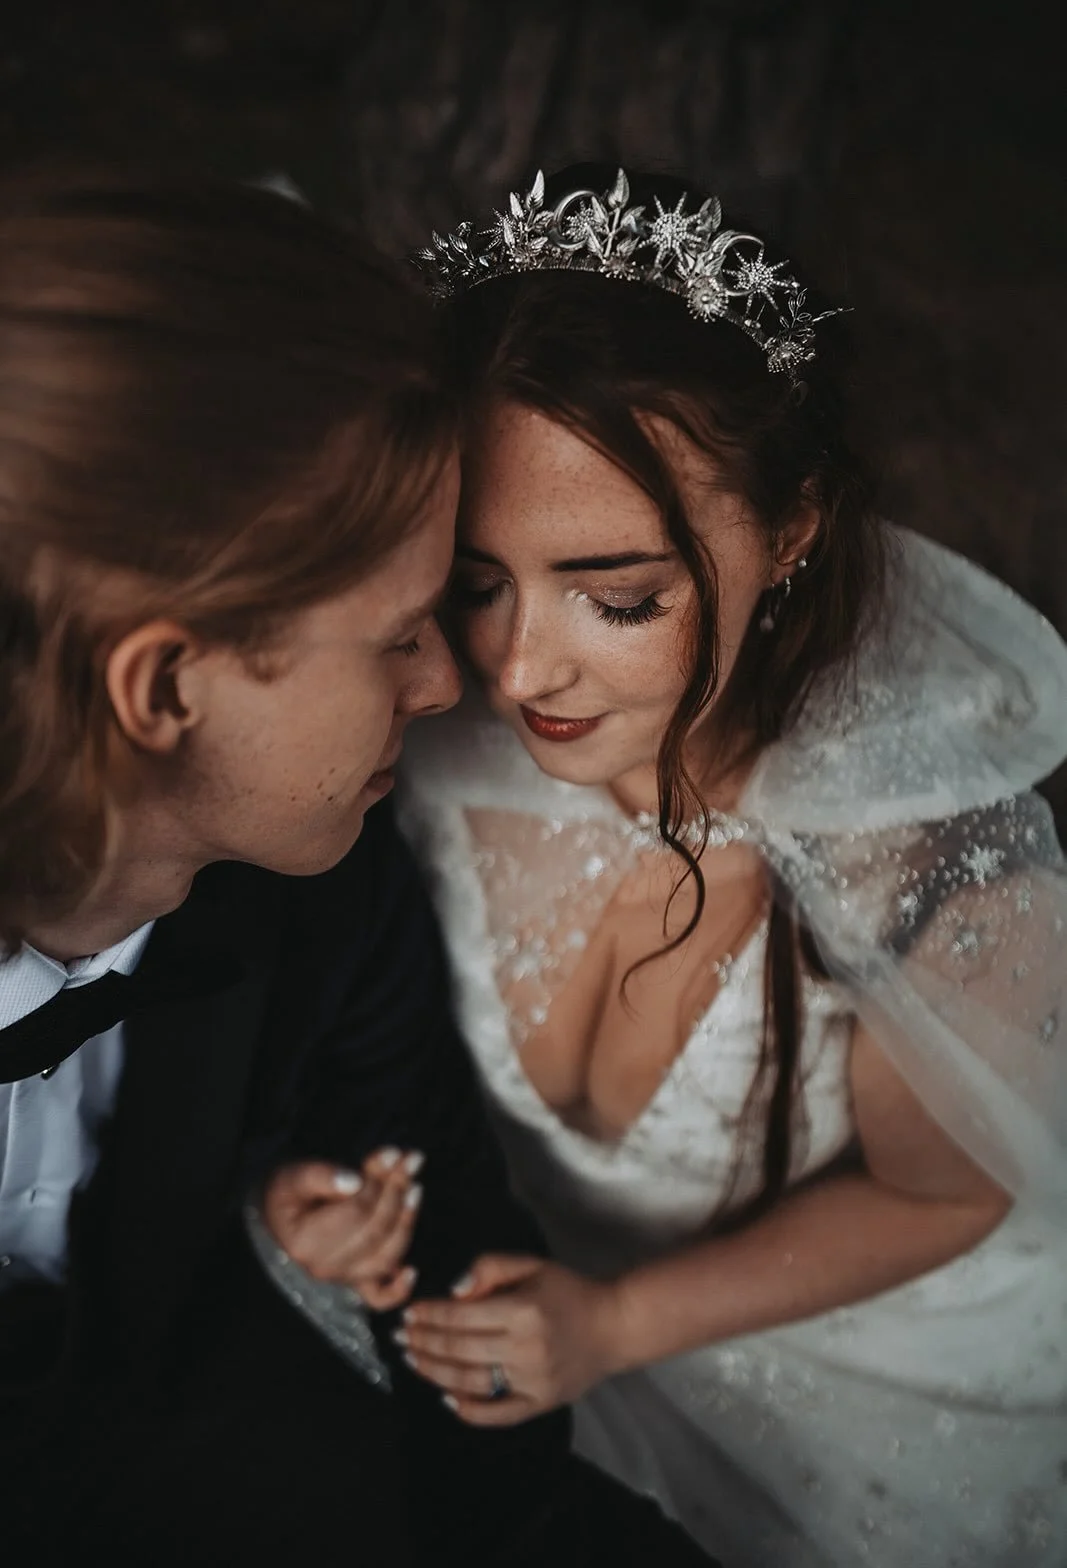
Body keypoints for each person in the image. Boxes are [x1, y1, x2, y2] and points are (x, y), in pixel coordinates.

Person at [0, 169, 713, 1567]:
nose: (451, 683)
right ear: (161, 691)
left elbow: (451, 1265)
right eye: (396, 631)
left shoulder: (327, 898)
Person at [394, 164, 1067, 1566]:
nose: (519, 664)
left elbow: (946, 1190)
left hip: (874, 1388)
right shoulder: (427, 732)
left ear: (792, 531)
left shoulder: (924, 863)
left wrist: (617, 1324)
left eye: (619, 596)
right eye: (474, 575)